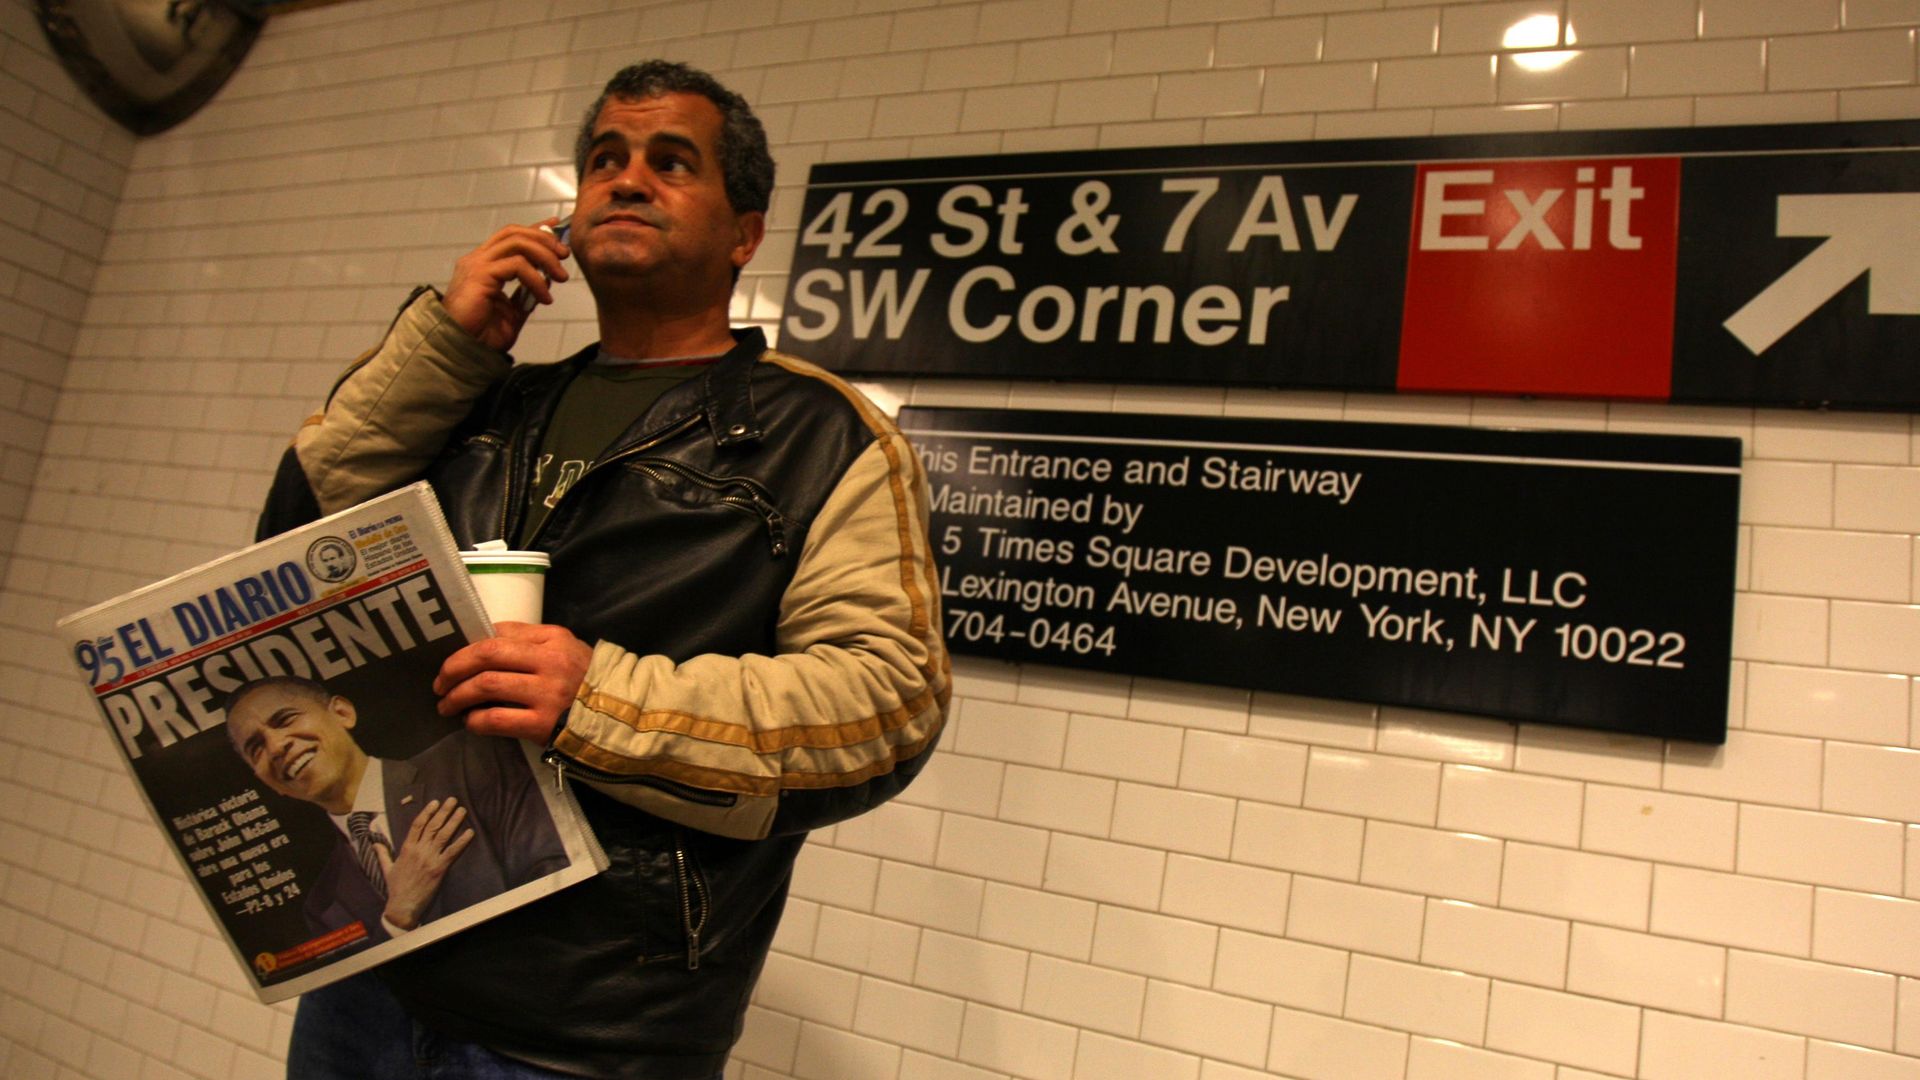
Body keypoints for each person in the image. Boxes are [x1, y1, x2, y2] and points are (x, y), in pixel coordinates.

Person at [256, 59, 948, 1079]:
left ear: (745, 231)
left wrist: (601, 698)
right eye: (604, 161)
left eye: (672, 163)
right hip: (376, 974)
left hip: (589, 1037)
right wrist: (449, 349)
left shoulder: (822, 438)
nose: (627, 180)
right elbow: (288, 556)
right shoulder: (484, 401)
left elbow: (886, 707)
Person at [224, 675, 571, 942]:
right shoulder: (323, 906)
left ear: (342, 713)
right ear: (267, 782)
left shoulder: (469, 759)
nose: (276, 746)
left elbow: (556, 870)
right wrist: (398, 918)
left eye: (284, 720)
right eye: (256, 748)